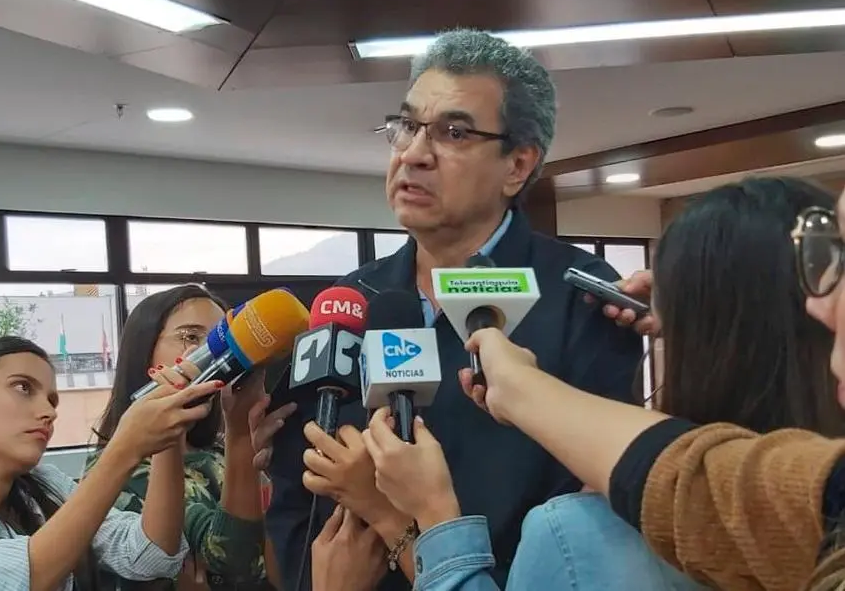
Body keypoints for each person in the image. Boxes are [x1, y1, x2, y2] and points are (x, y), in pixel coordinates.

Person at [266, 28, 644, 590]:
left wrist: (398, 529)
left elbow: (587, 534)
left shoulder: (583, 300)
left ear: (517, 165)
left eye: (453, 133)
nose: (414, 154)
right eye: (407, 126)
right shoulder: (351, 299)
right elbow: (297, 496)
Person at [361, 176, 845, 590]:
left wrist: (431, 515)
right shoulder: (814, 497)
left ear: (519, 163)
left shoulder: (577, 535)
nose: (416, 155)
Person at [0, 334, 217, 590]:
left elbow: (150, 556)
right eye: (23, 388)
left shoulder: (46, 485)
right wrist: (124, 450)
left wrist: (170, 428)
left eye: (51, 401)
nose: (49, 412)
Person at [88, 285, 296, 591]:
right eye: (190, 337)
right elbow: (234, 564)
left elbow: (283, 565)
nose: (213, 353)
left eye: (220, 339)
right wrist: (240, 437)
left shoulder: (217, 452)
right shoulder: (114, 469)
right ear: (145, 351)